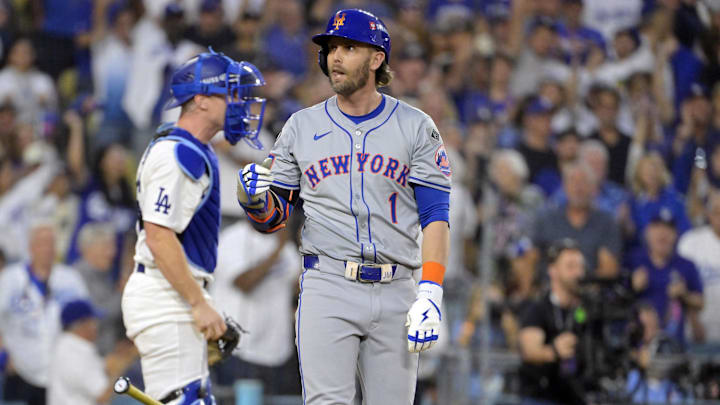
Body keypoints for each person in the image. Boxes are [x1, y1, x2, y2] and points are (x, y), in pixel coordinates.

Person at [236, 9, 451, 404]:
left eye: (348, 47)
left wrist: (431, 291)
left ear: (376, 58)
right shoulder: (299, 127)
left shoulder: (416, 126)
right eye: (331, 47)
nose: (335, 56)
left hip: (397, 285)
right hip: (328, 282)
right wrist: (251, 199)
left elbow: (436, 216)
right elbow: (273, 219)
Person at [121, 49, 267, 403]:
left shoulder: (191, 148)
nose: (240, 103)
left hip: (172, 291)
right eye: (230, 93)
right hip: (164, 294)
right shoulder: (178, 154)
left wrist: (200, 302)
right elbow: (158, 236)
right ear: (201, 100)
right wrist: (197, 302)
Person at [0, 221, 89, 405]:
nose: (47, 249)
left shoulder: (70, 279)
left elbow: (87, 320)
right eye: (42, 243)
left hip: (62, 374)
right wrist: (3, 356)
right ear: (31, 247)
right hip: (21, 372)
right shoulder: (10, 278)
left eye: (51, 243)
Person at [211, 222, 301, 394]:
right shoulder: (232, 238)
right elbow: (244, 283)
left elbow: (297, 287)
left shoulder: (287, 246)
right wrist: (277, 250)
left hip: (277, 354)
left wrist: (308, 253)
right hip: (238, 353)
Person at [518, 238, 586, 405]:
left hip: (578, 395)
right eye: (570, 266)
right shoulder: (538, 309)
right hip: (541, 395)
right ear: (553, 270)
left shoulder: (588, 309)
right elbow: (530, 351)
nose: (578, 273)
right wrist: (554, 351)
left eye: (580, 267)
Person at [629, 207, 704, 344]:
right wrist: (632, 286)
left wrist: (684, 294)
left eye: (668, 228)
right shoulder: (633, 260)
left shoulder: (686, 265)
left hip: (674, 343)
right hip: (639, 344)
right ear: (647, 232)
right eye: (657, 227)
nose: (662, 234)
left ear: (676, 234)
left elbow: (700, 301)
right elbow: (614, 297)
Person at [48, 299, 137, 405]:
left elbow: (99, 369)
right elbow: (103, 395)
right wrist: (125, 363)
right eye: (93, 321)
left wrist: (117, 356)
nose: (96, 326)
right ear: (83, 324)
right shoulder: (76, 354)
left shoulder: (65, 345)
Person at [678, 190, 720, 343]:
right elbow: (680, 288)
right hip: (697, 332)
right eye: (716, 212)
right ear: (708, 214)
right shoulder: (691, 242)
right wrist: (693, 320)